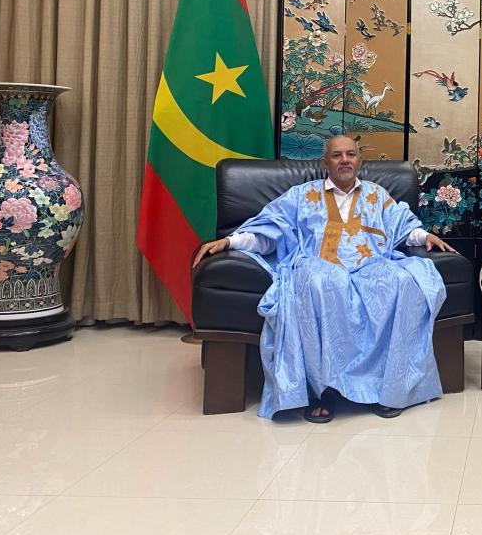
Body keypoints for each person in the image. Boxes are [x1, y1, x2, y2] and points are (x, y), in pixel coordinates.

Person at [193, 135, 455, 423]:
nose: (345, 160)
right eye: (337, 155)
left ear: (360, 160)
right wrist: (230, 242)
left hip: (371, 266)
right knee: (322, 283)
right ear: (325, 162)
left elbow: (403, 226)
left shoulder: (377, 195)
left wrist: (425, 236)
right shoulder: (301, 195)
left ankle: (386, 390)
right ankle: (326, 391)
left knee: (402, 282)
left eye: (351, 154)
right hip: (319, 266)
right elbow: (269, 232)